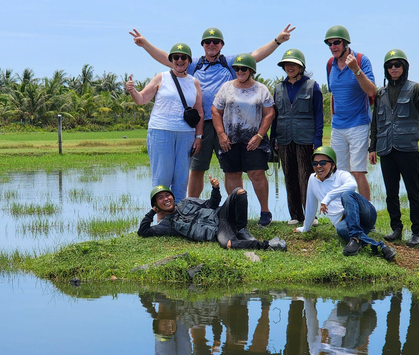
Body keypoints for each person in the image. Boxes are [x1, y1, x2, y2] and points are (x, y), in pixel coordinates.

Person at [130, 25, 296, 199]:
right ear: (203, 45)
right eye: (207, 42)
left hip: (227, 125)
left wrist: (277, 41)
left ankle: (235, 207)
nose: (211, 45)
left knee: (231, 169)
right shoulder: (194, 63)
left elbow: (254, 56)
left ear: (221, 45)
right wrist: (145, 44)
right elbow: (168, 59)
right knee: (197, 168)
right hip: (201, 125)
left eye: (215, 42)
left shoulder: (230, 63)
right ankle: (193, 205)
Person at [369, 49, 419, 247]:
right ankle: (396, 229)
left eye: (397, 65)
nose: (393, 68)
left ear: (404, 67)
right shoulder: (381, 93)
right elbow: (375, 123)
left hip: (407, 148)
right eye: (390, 66)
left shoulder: (415, 89)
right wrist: (372, 147)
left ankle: (417, 232)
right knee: (391, 192)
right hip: (386, 149)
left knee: (412, 191)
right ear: (386, 69)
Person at [125, 43, 203, 203]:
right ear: (171, 60)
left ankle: (178, 220)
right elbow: (141, 99)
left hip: (186, 134)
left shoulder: (194, 82)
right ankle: (161, 221)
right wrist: (133, 90)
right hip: (161, 132)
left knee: (181, 180)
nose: (179, 61)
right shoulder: (162, 77)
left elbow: (199, 111)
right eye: (176, 57)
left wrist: (199, 136)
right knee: (162, 180)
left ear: (189, 61)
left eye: (183, 58)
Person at [294, 146, 396, 261]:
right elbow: (311, 206)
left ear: (333, 165)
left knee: (347, 194)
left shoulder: (342, 175)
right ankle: (376, 244)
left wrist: (328, 197)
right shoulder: (312, 179)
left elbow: (352, 185)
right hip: (344, 222)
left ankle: (355, 237)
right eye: (315, 163)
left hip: (365, 215)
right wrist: (305, 228)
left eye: (323, 163)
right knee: (341, 230)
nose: (318, 166)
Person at [137, 176, 286, 251]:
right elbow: (143, 231)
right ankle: (270, 245)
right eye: (160, 198)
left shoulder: (187, 201)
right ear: (156, 204)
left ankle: (241, 229)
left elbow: (211, 204)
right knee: (227, 244)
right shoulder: (167, 225)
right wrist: (152, 212)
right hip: (219, 231)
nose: (166, 199)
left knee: (239, 192)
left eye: (167, 195)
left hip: (222, 215)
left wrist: (215, 188)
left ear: (172, 196)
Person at [211, 53, 276, 227]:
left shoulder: (261, 89)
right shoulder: (226, 88)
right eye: (237, 69)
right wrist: (221, 134)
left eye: (243, 69)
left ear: (251, 71)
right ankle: (237, 213)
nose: (240, 71)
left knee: (257, 174)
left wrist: (259, 135)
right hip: (229, 140)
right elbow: (215, 111)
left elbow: (269, 114)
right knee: (232, 175)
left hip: (254, 140)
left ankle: (265, 211)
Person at [271, 48, 324, 226]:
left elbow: (319, 115)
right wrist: (273, 140)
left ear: (301, 67)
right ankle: (295, 215)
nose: (290, 67)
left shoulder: (312, 86)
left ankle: (311, 215)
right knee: (289, 177)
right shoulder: (279, 88)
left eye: (293, 64)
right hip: (284, 138)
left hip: (305, 138)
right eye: (287, 64)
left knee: (306, 177)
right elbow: (274, 116)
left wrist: (317, 140)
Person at [324, 25, 376, 201]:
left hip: (359, 124)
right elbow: (333, 94)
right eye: (329, 44)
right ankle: (345, 212)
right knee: (339, 172)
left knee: (358, 172)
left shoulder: (361, 60)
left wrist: (356, 69)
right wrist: (333, 117)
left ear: (345, 43)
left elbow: (371, 91)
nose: (333, 47)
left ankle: (367, 215)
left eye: (336, 43)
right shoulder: (330, 64)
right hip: (338, 127)